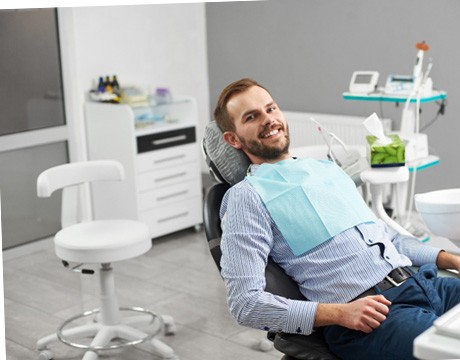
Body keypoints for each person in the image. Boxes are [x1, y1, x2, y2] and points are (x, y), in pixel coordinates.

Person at [213, 78, 460, 360]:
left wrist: (450, 259)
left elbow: (387, 238)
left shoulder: (327, 170)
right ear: (233, 138)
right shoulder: (246, 197)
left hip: (423, 284)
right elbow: (245, 304)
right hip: (372, 317)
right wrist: (339, 313)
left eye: (270, 109)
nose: (268, 120)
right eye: (251, 117)